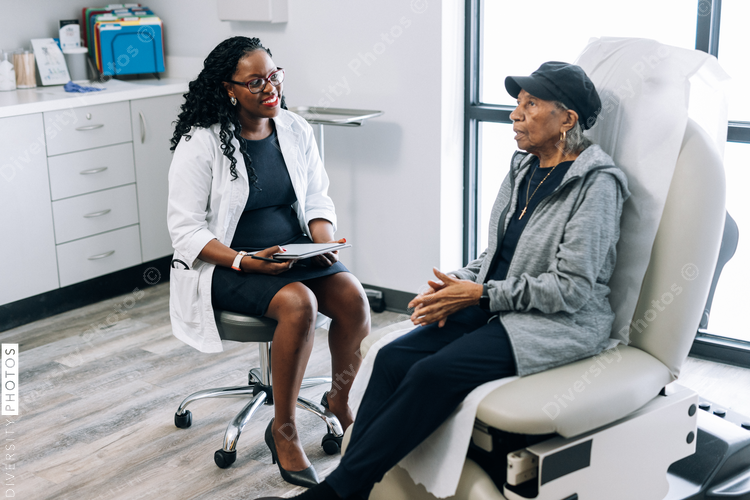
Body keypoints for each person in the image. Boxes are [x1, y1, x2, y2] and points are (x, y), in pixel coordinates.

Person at [255, 61, 630, 500]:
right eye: (517, 104)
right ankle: (353, 485)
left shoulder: (597, 186)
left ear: (567, 119)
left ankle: (336, 495)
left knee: (433, 374)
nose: (515, 114)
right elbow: (495, 256)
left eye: (530, 104)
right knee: (393, 359)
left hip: (554, 324)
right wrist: (457, 283)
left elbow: (573, 288)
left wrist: (480, 295)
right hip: (494, 305)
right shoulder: (524, 169)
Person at [167, 36, 370, 488]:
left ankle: (339, 400)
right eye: (255, 81)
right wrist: (244, 261)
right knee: (299, 304)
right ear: (229, 89)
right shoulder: (200, 143)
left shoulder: (294, 129)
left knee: (354, 298)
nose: (269, 88)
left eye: (274, 76)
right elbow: (185, 231)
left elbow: (317, 196)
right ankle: (285, 430)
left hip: (293, 250)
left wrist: (321, 240)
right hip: (225, 263)